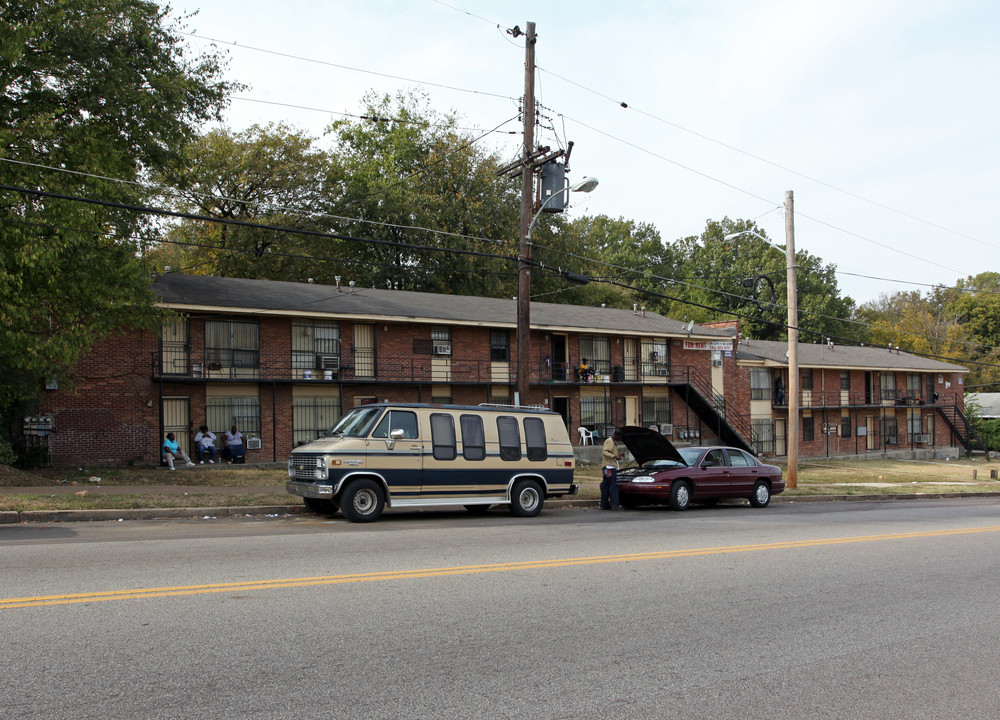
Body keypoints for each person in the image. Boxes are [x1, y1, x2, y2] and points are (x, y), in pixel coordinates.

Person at [601, 429, 624, 510]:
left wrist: (617, 455)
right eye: (620, 437)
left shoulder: (612, 442)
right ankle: (615, 504)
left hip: (607, 467)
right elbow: (604, 452)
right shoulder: (610, 441)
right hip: (609, 467)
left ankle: (604, 504)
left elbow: (610, 452)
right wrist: (614, 456)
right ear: (617, 435)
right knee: (613, 485)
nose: (620, 439)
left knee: (606, 485)